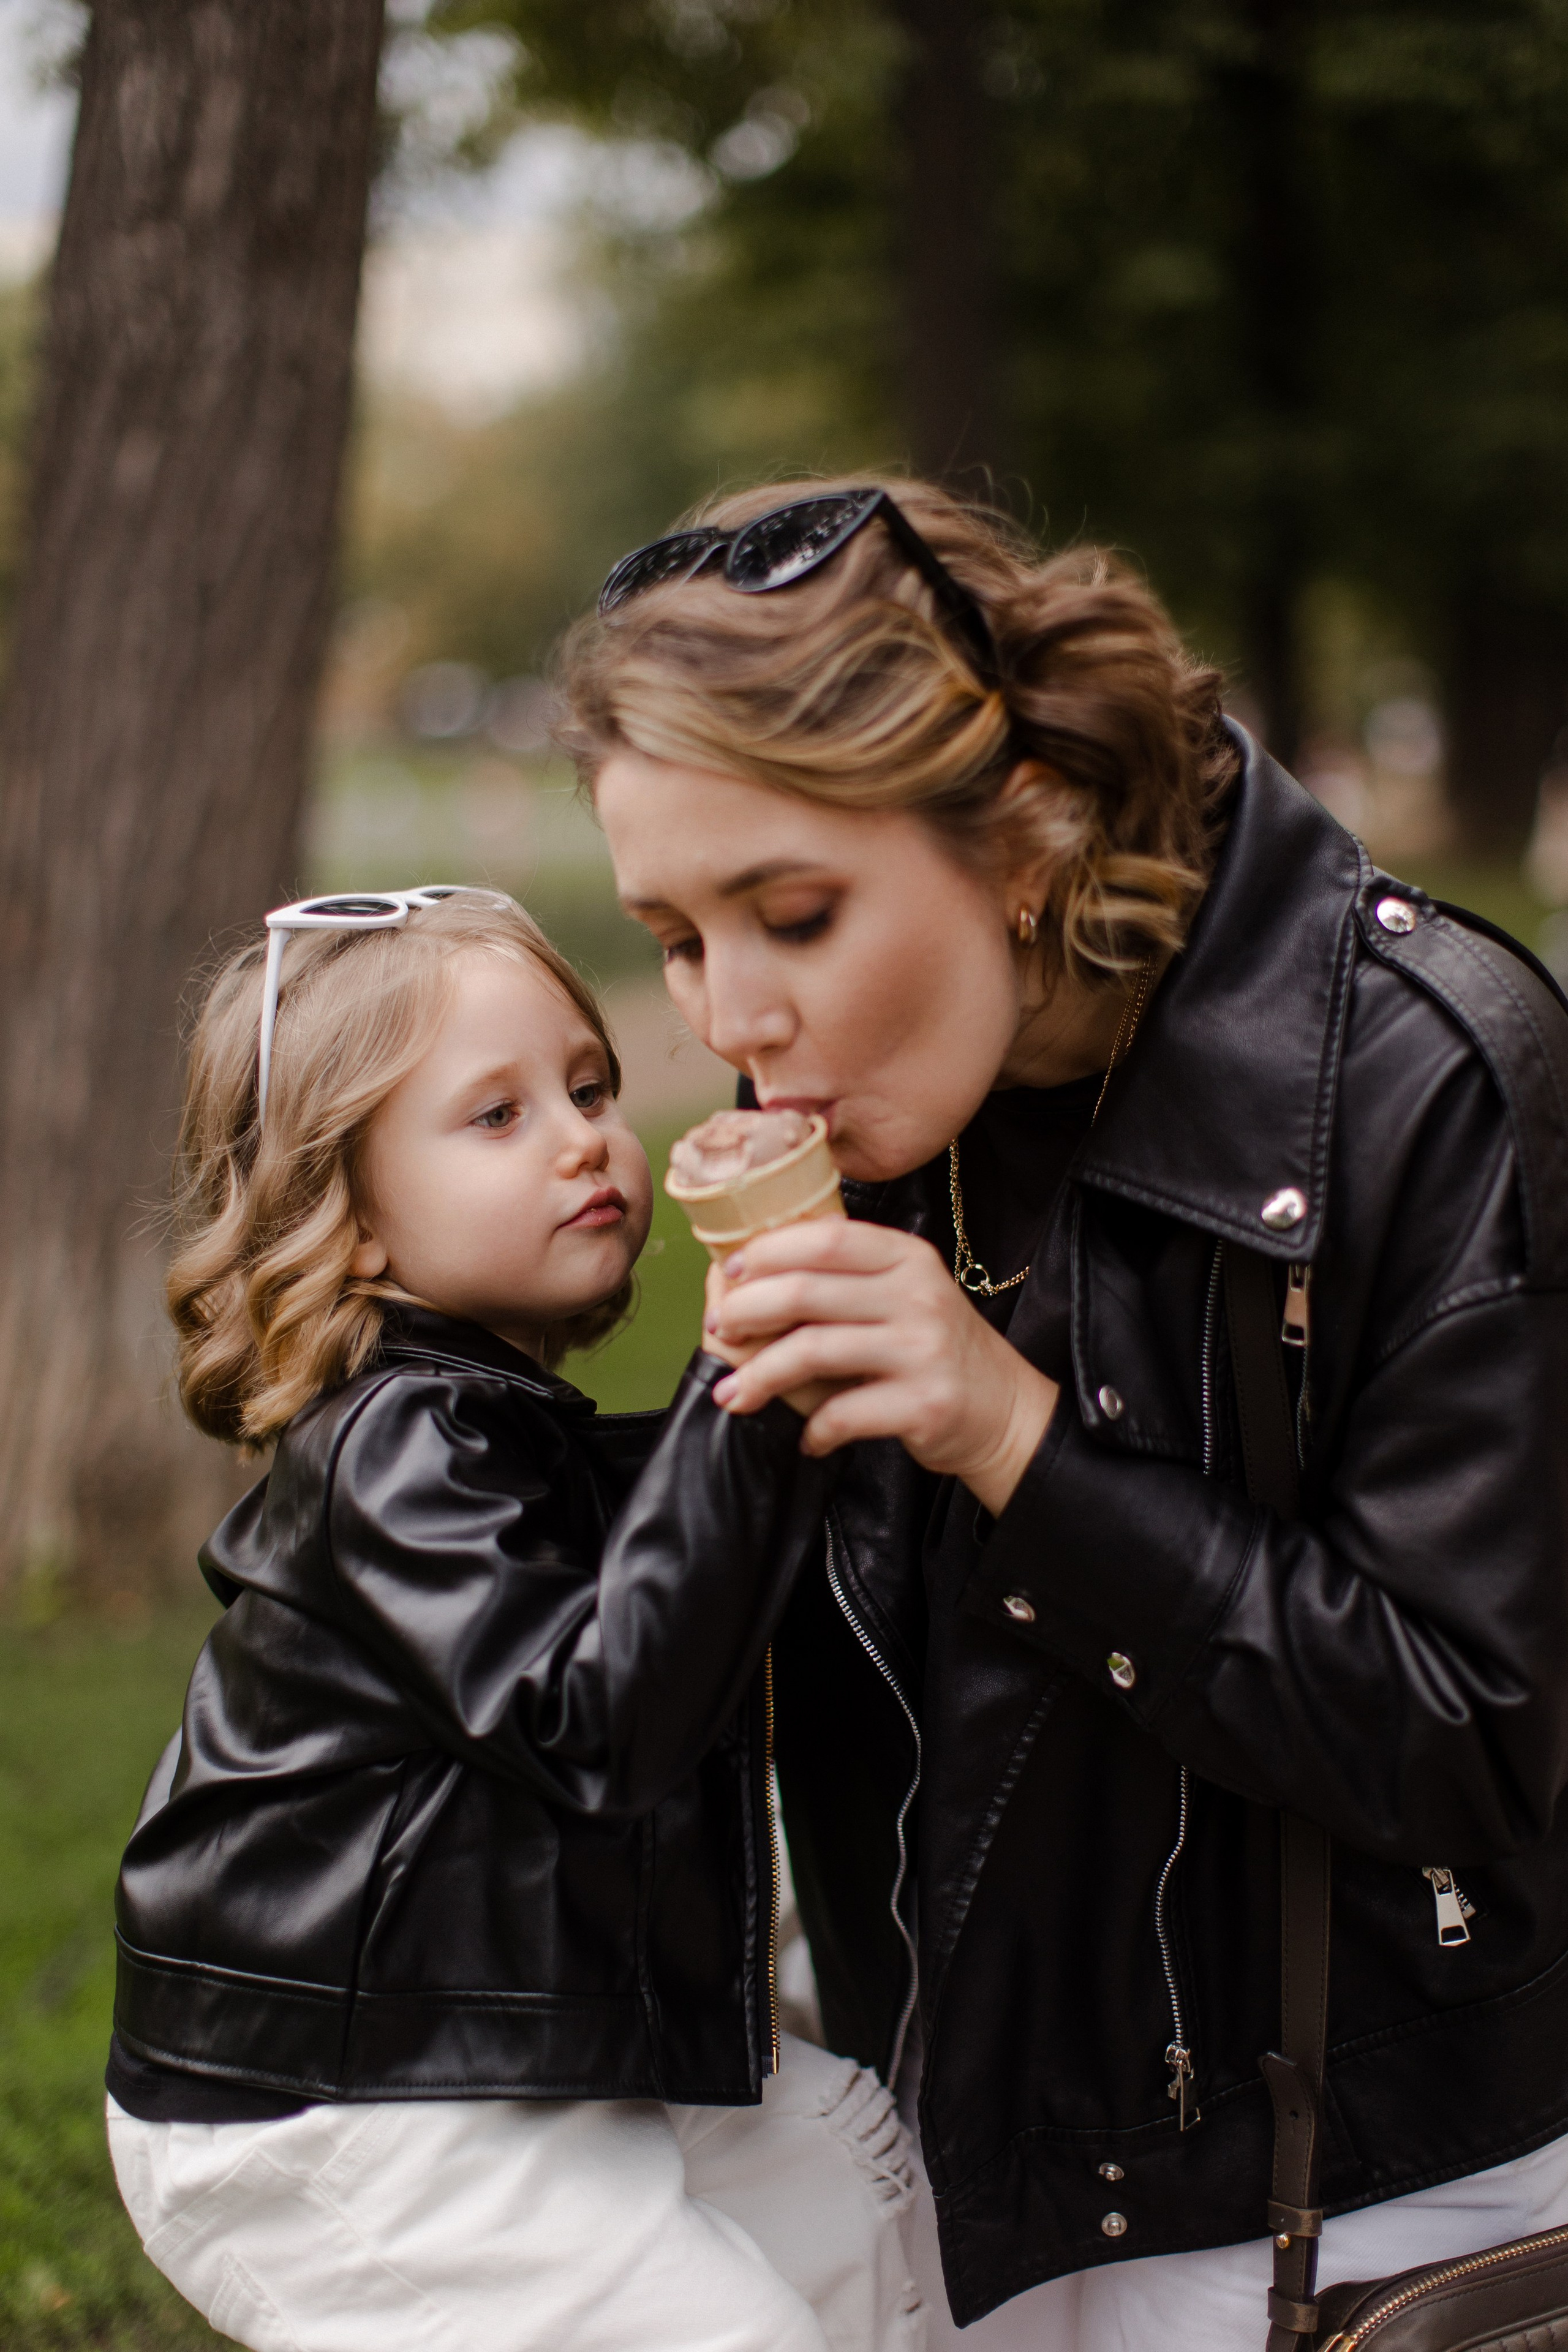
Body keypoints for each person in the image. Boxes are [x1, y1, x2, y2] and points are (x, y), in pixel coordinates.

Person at [557, 478, 1568, 2350]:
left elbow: (1475, 1744)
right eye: (680, 936)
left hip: (1335, 2199)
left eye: (794, 913)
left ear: (1026, 832)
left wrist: (1014, 1439)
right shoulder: (869, 1113)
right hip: (952, 2158)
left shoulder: (1423, 1076)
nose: (735, 1019)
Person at [106, 887, 924, 2352]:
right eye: (496, 1115)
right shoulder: (394, 1448)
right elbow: (593, 1719)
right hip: (326, 2101)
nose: (581, 1138)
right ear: (348, 1220)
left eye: (589, 1089)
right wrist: (746, 1375)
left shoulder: (498, 1425)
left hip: (486, 2040)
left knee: (849, 2173)